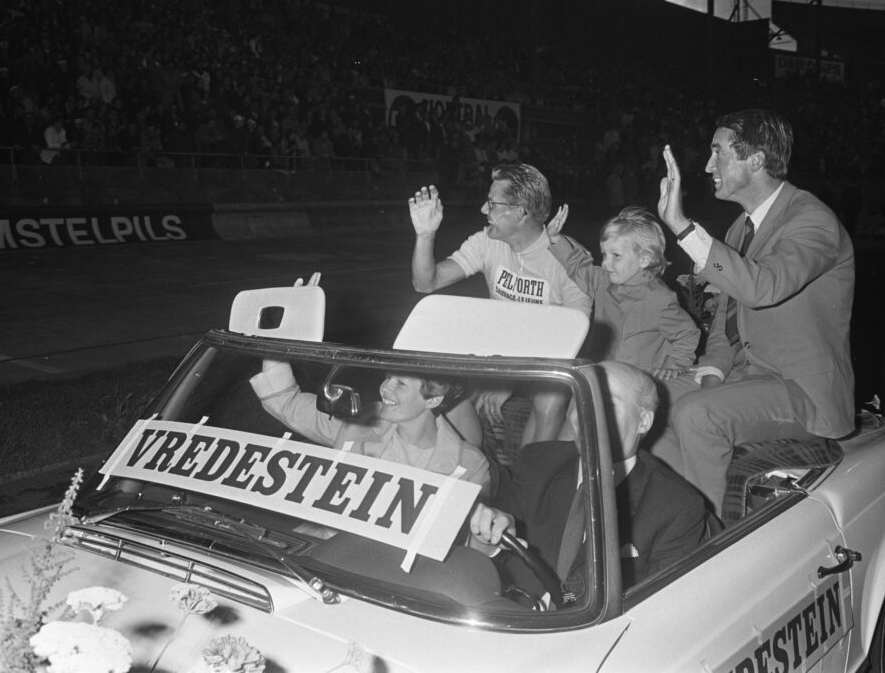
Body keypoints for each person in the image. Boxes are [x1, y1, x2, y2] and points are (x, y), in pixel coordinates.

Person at [652, 108, 855, 517]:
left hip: (801, 389)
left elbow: (763, 287)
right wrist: (713, 370)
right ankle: (680, 518)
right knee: (648, 401)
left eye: (718, 153)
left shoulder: (813, 220)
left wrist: (682, 227)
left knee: (696, 415)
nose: (708, 166)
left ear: (757, 159)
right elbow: (726, 319)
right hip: (750, 377)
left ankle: (708, 538)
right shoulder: (739, 228)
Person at [468, 361, 708, 602]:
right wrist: (488, 541)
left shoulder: (676, 506)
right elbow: (487, 566)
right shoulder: (536, 463)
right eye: (581, 399)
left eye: (606, 404)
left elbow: (662, 606)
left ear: (643, 421)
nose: (586, 414)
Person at [409, 163, 592, 448]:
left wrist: (510, 380)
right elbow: (426, 283)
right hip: (500, 355)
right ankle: (473, 464)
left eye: (492, 204)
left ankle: (531, 471)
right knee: (441, 392)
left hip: (548, 360)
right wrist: (425, 234)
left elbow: (572, 339)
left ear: (519, 213)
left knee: (550, 400)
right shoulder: (486, 242)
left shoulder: (570, 258)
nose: (484, 209)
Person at [250, 359, 491, 500]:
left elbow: (470, 547)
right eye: (388, 377)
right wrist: (282, 335)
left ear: (433, 400)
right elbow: (288, 404)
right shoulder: (361, 423)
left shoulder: (470, 465)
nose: (385, 388)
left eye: (401, 384)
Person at [546, 204, 700, 379]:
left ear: (644, 259)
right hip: (603, 373)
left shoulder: (659, 299)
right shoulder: (602, 280)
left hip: (640, 380)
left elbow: (687, 333)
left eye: (616, 256)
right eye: (604, 254)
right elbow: (578, 267)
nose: (605, 263)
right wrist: (556, 239)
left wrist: (673, 366)